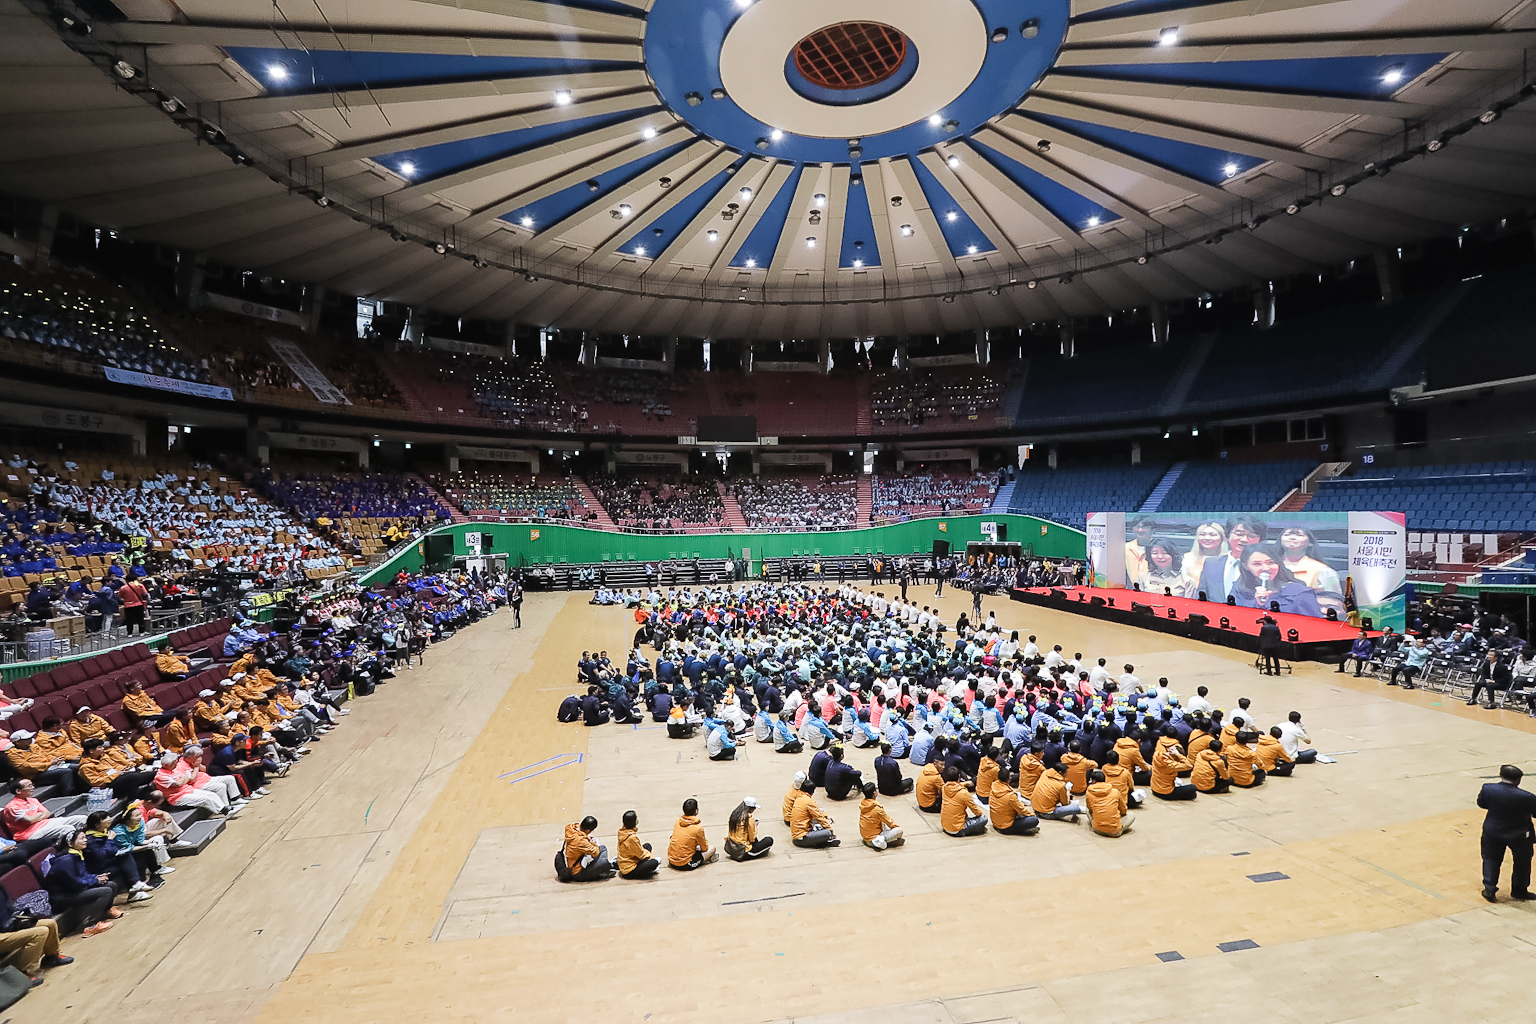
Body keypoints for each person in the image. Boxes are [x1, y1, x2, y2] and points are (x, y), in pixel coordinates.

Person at [1476, 764, 1536, 902]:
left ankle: (1490, 889)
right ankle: (1519, 890)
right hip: (1520, 835)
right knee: (1522, 862)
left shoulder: (1488, 789)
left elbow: (1482, 804)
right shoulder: (1528, 797)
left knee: (1491, 859)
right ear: (1519, 780)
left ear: (1501, 775)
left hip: (1493, 832)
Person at [44, 830, 119, 936]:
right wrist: (95, 880)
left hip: (72, 890)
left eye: (85, 838)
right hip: (62, 897)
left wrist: (96, 877)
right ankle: (92, 925)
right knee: (105, 891)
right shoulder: (66, 860)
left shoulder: (76, 854)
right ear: (70, 843)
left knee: (111, 885)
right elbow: (75, 883)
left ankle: (105, 911)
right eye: (82, 838)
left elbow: (82, 875)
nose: (86, 840)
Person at [0, 886, 72, 983]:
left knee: (50, 924)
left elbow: (8, 910)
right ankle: (23, 973)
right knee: (40, 933)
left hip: (7, 925)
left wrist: (17, 920)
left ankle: (51, 957)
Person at [1232, 546, 1321, 617]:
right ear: (1246, 566)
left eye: (1270, 563)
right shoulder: (1240, 589)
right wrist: (1257, 604)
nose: (1266, 568)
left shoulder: (1299, 592)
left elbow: (1314, 623)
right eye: (1257, 564)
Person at [1277, 527, 1345, 615]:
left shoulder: (1324, 571)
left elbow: (1335, 604)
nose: (1292, 537)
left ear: (1310, 543)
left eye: (1299, 534)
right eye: (1287, 534)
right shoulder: (1269, 566)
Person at [1196, 517, 1265, 602]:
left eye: (1252, 536)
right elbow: (1201, 595)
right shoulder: (1211, 563)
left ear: (1260, 540)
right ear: (1227, 535)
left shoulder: (1265, 567)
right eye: (1239, 534)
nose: (1244, 539)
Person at [2, 778, 87, 843]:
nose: (32, 788)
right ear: (18, 791)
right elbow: (30, 821)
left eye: (32, 785)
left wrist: (35, 818)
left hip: (44, 823)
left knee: (82, 819)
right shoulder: (12, 807)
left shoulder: (33, 800)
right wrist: (39, 816)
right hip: (28, 833)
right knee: (68, 829)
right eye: (29, 786)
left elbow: (47, 813)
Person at [1180, 521, 1227, 598]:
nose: (1207, 538)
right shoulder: (1187, 558)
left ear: (1222, 538)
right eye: (1202, 534)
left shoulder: (1229, 560)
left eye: (1212, 535)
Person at [667, 798, 719, 868]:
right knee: (712, 848)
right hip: (685, 864)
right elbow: (705, 848)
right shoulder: (698, 828)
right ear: (696, 811)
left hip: (671, 860)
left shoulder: (678, 822)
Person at [560, 816, 612, 882]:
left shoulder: (572, 828)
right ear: (588, 830)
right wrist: (593, 843)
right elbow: (595, 852)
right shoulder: (580, 841)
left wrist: (586, 837)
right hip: (577, 872)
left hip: (574, 862)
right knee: (604, 862)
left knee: (602, 848)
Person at [940, 766, 987, 837]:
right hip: (957, 829)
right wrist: (980, 815)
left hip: (945, 826)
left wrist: (964, 783)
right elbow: (975, 810)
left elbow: (952, 785)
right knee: (984, 818)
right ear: (959, 778)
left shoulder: (944, 788)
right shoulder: (963, 793)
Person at [789, 780, 838, 848]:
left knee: (820, 811)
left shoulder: (799, 797)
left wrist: (826, 816)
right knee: (827, 833)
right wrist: (831, 831)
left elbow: (817, 812)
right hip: (803, 838)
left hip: (797, 834)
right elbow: (819, 817)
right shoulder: (809, 801)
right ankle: (822, 841)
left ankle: (818, 834)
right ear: (812, 792)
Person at [988, 771, 1039, 836]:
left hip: (995, 823)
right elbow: (1022, 810)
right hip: (1006, 827)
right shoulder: (1010, 795)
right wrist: (1032, 814)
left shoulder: (993, 786)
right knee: (1034, 820)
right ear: (1009, 779)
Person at [1085, 769, 1133, 837]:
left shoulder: (1089, 792)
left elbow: (1090, 808)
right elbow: (1123, 810)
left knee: (1086, 810)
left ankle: (1099, 823)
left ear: (1093, 781)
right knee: (1131, 815)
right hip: (1115, 831)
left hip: (1097, 829)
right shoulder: (1115, 792)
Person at [858, 782, 904, 851]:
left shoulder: (864, 804)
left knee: (882, 822)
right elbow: (890, 822)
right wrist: (896, 828)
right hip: (874, 839)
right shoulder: (877, 808)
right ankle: (886, 842)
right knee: (899, 831)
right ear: (875, 793)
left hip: (866, 837)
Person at [725, 797, 773, 861]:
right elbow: (752, 838)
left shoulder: (734, 815)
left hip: (731, 847)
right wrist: (754, 826)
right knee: (769, 840)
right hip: (742, 851)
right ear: (751, 809)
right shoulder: (748, 818)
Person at [616, 810, 659, 880]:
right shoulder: (632, 838)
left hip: (628, 861)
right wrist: (651, 857)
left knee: (647, 846)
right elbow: (641, 855)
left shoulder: (622, 832)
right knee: (654, 863)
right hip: (629, 870)